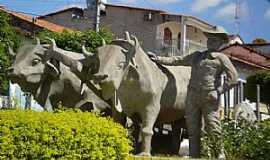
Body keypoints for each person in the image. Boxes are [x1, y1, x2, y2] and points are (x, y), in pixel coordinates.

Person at [151, 30, 238, 159]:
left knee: (213, 126)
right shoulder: (197, 56)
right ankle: (194, 155)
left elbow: (234, 79)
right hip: (192, 96)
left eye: (214, 40)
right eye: (209, 39)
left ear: (221, 43)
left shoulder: (222, 58)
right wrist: (158, 59)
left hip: (209, 97)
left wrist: (218, 91)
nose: (210, 42)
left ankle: (220, 154)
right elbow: (177, 60)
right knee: (192, 129)